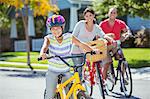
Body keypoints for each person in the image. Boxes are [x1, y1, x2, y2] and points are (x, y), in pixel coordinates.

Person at [39, 15, 93, 99]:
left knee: (71, 93)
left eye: (57, 28)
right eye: (53, 29)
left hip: (66, 70)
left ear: (62, 27)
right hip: (53, 71)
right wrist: (43, 53)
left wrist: (92, 50)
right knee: (50, 94)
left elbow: (81, 44)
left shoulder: (69, 37)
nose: (55, 31)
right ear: (50, 30)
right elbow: (44, 47)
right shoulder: (49, 38)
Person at [71, 7, 114, 79]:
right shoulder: (80, 24)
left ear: (93, 15)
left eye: (90, 15)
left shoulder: (96, 27)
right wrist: (81, 44)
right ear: (84, 17)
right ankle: (78, 88)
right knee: (79, 72)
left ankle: (98, 79)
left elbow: (103, 35)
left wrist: (111, 39)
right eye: (86, 16)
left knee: (96, 61)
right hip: (77, 51)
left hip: (88, 51)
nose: (88, 17)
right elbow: (73, 38)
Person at [99, 7, 132, 82]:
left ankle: (123, 78)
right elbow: (98, 35)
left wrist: (126, 35)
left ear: (116, 14)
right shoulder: (102, 24)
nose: (113, 14)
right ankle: (103, 82)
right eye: (111, 12)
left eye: (114, 13)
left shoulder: (120, 23)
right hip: (105, 47)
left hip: (115, 46)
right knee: (107, 62)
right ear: (108, 14)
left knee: (122, 59)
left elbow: (127, 31)